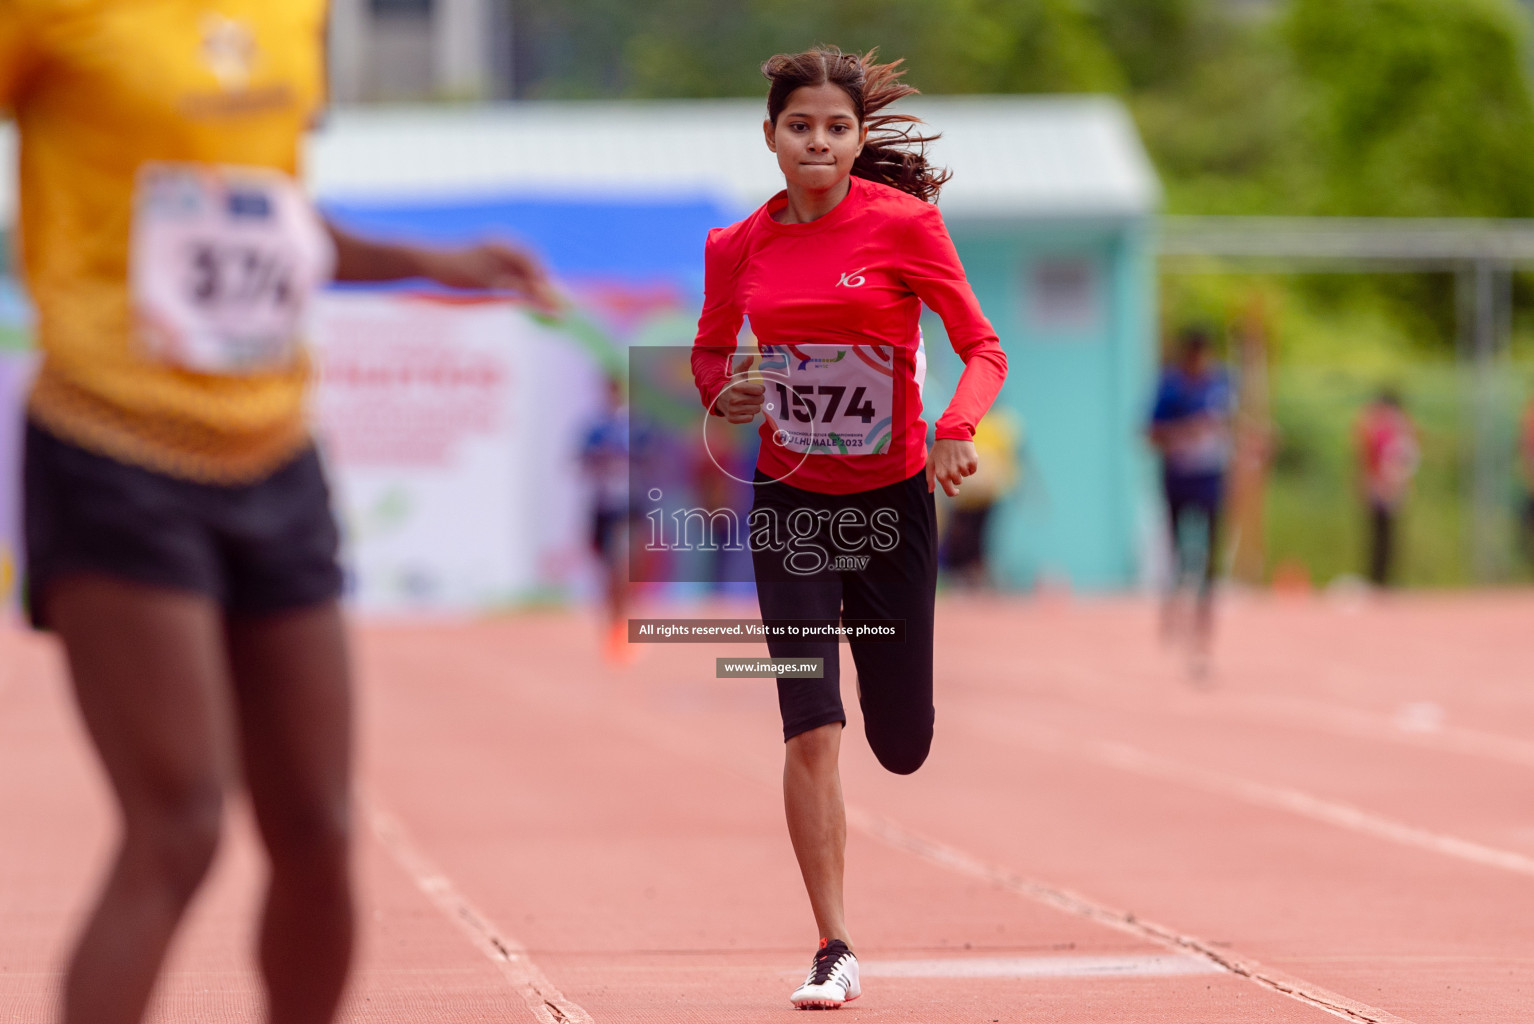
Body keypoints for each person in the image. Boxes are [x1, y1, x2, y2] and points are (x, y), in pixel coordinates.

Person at [0, 6, 555, 1023]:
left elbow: (271, 216)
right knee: (178, 826)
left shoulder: (295, 13)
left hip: (273, 453)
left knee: (316, 827)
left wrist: (432, 263)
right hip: (112, 443)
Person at [690, 47, 1006, 1010]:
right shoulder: (734, 246)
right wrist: (731, 392)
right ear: (772, 137)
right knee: (809, 723)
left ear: (860, 137)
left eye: (836, 127)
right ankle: (833, 943)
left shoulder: (907, 228)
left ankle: (896, 729)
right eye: (800, 126)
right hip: (789, 503)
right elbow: (710, 359)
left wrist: (954, 429)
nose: (818, 142)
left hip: (891, 502)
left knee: (900, 741)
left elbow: (981, 347)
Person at [1148, 326, 1232, 676]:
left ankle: (1204, 618)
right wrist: (1185, 431)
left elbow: (1232, 423)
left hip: (1211, 477)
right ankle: (1174, 610)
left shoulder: (1223, 383)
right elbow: (1149, 432)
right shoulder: (1170, 386)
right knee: (1178, 550)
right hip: (1178, 477)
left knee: (1212, 550)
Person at [581, 375, 639, 661]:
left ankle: (621, 629)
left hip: (626, 506)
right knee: (608, 571)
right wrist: (600, 460)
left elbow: (651, 460)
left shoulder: (634, 427)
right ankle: (611, 627)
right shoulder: (596, 428)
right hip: (603, 506)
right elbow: (580, 462)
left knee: (622, 569)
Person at [1355, 388, 1418, 587]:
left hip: (1390, 484)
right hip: (1381, 484)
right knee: (1378, 533)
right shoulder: (1377, 427)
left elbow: (1406, 457)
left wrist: (1399, 480)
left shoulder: (1396, 428)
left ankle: (1384, 579)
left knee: (1388, 534)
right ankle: (1377, 578)